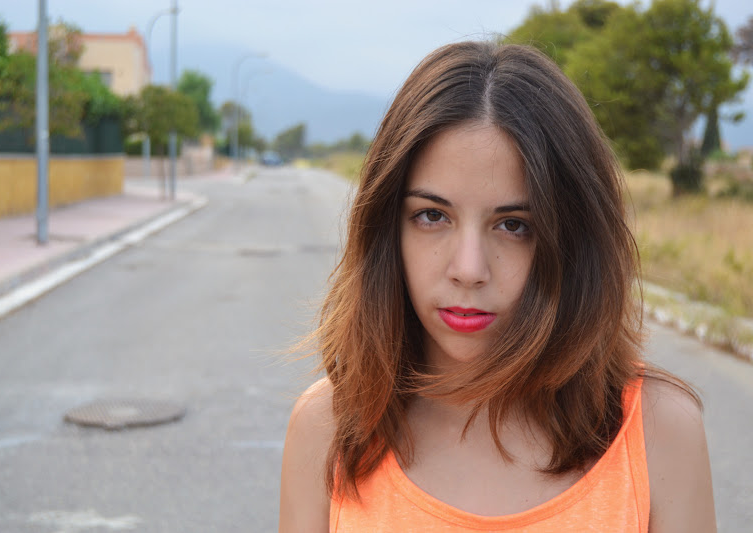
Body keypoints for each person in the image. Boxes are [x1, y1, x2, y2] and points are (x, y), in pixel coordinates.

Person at [279, 41, 716, 532]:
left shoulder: (659, 433)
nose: (468, 269)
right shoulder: (327, 430)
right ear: (386, 230)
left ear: (574, 243)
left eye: (513, 225)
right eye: (432, 216)